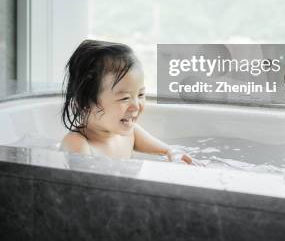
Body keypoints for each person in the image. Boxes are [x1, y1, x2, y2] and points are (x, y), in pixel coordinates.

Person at [61, 39, 194, 163]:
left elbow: (163, 149)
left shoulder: (128, 133)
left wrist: (172, 152)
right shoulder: (77, 144)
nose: (136, 106)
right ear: (85, 104)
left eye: (141, 94)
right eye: (125, 98)